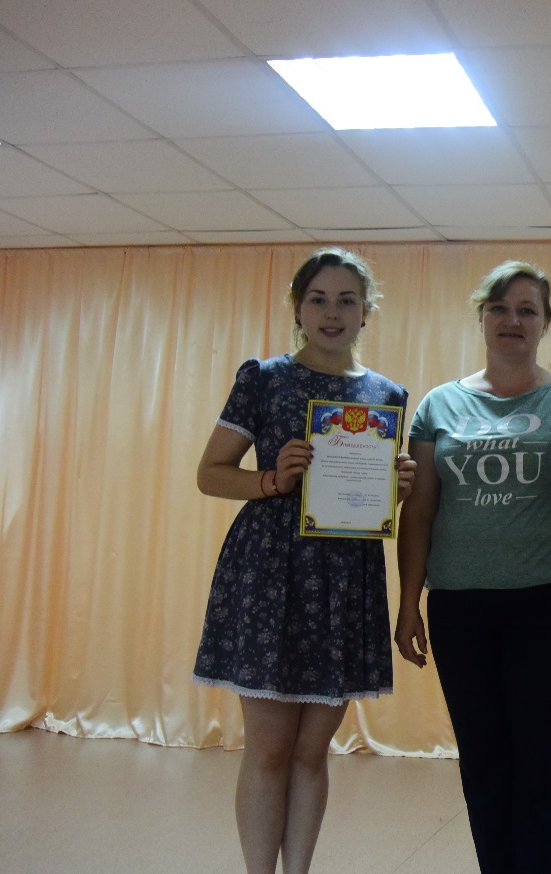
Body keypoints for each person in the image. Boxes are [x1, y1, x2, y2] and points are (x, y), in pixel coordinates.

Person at [192, 247, 415, 874]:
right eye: (318, 299)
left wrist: (397, 485)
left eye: (346, 300)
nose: (332, 312)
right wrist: (272, 479)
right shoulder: (263, 378)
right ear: (298, 308)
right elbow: (210, 473)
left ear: (366, 312)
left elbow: (370, 493)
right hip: (270, 572)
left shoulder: (387, 394)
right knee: (268, 750)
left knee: (313, 753)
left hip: (345, 580)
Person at [394, 260, 551, 874]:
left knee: (541, 762)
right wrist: (408, 602)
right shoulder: (438, 405)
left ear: (546, 323)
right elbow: (419, 512)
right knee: (484, 762)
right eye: (499, 307)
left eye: (527, 310)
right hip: (459, 607)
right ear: (482, 318)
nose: (511, 320)